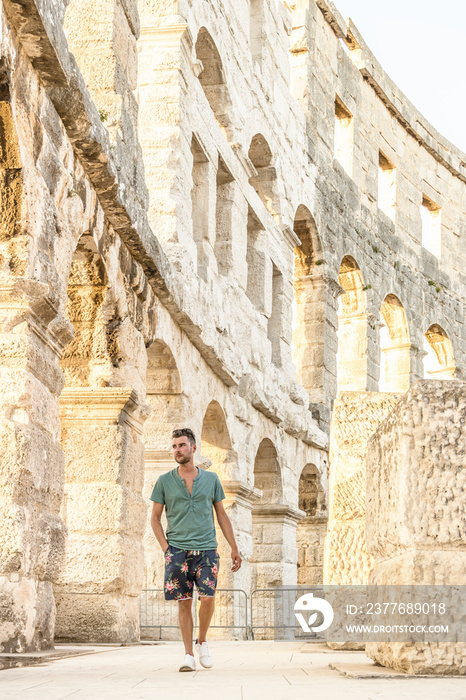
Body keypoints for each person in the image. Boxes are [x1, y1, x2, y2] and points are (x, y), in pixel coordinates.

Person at [150, 427, 242, 672]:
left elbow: (221, 515)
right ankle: (188, 654)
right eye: (174, 446)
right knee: (183, 602)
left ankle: (202, 641)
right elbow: (155, 518)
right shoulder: (164, 481)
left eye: (181, 445)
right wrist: (166, 548)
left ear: (193, 448)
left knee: (208, 598)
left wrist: (234, 546)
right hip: (177, 550)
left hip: (207, 549)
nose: (177, 450)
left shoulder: (211, 479)